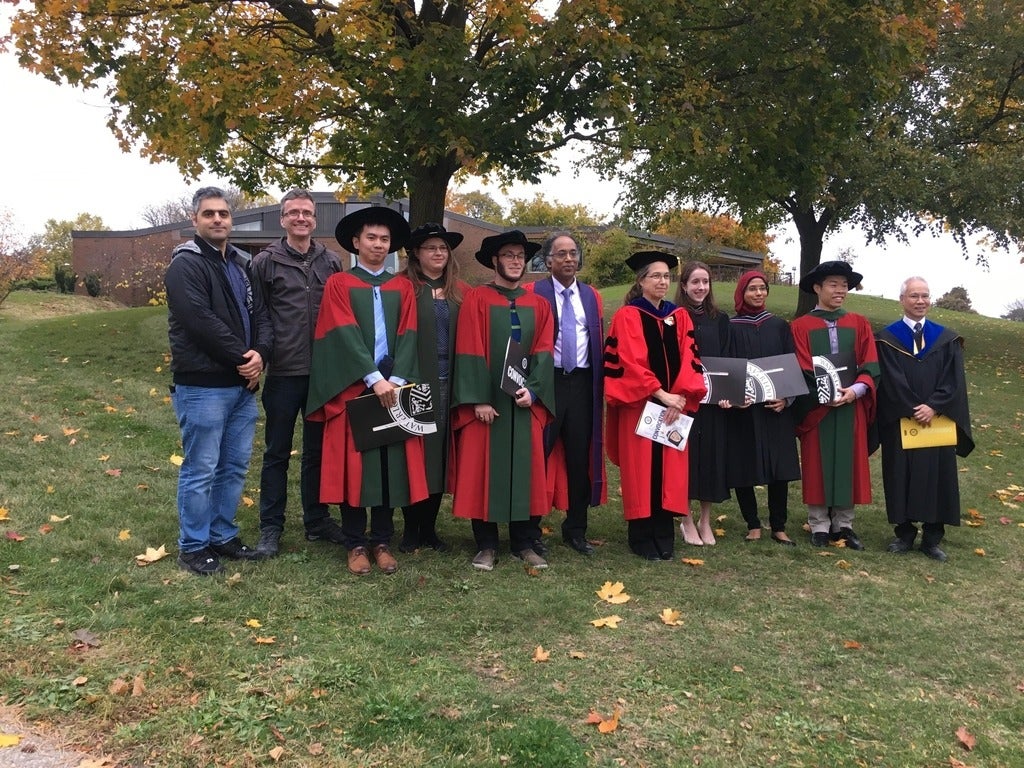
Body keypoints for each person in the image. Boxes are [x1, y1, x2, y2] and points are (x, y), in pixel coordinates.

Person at [306, 207, 428, 576]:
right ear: (356, 243)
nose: (378, 244)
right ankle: (355, 542)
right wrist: (374, 378)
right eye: (371, 238)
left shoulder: (402, 287)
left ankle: (382, 541)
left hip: (395, 387)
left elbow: (410, 333)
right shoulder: (339, 283)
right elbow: (342, 333)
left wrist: (398, 379)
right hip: (354, 386)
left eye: (384, 239)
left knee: (388, 464)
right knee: (355, 467)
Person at [165, 187, 273, 575]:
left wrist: (261, 353)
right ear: (194, 219)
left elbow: (261, 315)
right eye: (208, 213)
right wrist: (244, 359)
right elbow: (200, 322)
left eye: (223, 214)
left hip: (241, 387)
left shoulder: (241, 264)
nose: (217, 219)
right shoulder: (185, 265)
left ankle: (221, 535)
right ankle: (193, 547)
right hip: (203, 386)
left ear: (231, 220)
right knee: (201, 469)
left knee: (233, 467)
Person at [450, 230, 556, 571]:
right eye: (508, 255)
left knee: (527, 469)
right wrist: (478, 399)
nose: (515, 261)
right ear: (495, 260)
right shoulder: (477, 299)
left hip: (523, 403)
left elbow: (544, 350)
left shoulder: (538, 305)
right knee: (483, 467)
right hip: (489, 404)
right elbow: (469, 347)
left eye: (520, 256)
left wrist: (534, 390)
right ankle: (487, 544)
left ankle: (524, 542)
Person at [250, 189, 344, 558]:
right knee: (276, 452)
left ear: (315, 219)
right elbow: (259, 316)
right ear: (283, 219)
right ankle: (271, 526)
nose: (301, 218)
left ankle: (317, 520)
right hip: (284, 372)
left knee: (316, 452)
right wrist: (263, 356)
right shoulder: (265, 263)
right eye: (294, 213)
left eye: (307, 212)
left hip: (322, 374)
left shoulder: (331, 262)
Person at [604, 251, 706, 560]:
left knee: (669, 472)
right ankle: (640, 534)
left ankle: (663, 533)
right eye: (656, 276)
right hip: (640, 405)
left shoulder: (680, 316)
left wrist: (680, 397)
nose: (662, 281)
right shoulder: (628, 316)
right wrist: (662, 395)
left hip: (675, 408)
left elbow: (691, 358)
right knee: (642, 470)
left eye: (666, 276)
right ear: (641, 281)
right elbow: (629, 362)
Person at [875, 276, 974, 561]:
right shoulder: (887, 339)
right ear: (902, 300)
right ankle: (904, 533)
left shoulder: (946, 339)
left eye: (925, 296)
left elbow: (953, 380)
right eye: (914, 296)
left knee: (937, 476)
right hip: (901, 419)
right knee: (900, 474)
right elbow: (890, 379)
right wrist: (912, 407)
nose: (920, 301)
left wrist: (932, 406)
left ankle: (932, 538)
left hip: (937, 421)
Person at [525, 232, 606, 555]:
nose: (569, 259)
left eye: (573, 253)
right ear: (548, 261)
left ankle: (576, 529)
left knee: (579, 457)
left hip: (583, 384)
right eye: (561, 254)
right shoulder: (535, 293)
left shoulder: (591, 296)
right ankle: (529, 530)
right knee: (538, 454)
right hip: (548, 383)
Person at [791, 260, 880, 549]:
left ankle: (844, 524)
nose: (840, 290)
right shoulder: (800, 326)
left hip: (851, 405)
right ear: (817, 288)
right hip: (817, 408)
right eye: (833, 284)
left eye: (844, 285)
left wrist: (855, 390)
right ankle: (819, 524)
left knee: (849, 461)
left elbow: (870, 363)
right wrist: (824, 393)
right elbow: (802, 366)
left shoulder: (859, 323)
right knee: (816, 462)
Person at [393, 223, 469, 553]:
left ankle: (429, 529)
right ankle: (411, 529)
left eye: (443, 248)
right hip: (415, 379)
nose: (438, 253)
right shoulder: (402, 288)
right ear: (416, 253)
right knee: (416, 453)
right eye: (431, 248)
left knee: (439, 455)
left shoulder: (461, 292)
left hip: (449, 380)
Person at [726, 270, 800, 546]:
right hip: (744, 409)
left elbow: (791, 364)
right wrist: (734, 396)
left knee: (779, 468)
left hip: (774, 407)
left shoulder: (779, 326)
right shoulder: (731, 327)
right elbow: (727, 364)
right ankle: (753, 524)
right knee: (744, 464)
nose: (758, 293)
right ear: (742, 292)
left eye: (762, 288)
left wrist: (787, 399)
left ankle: (779, 525)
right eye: (752, 289)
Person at [675, 261, 731, 546]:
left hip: (713, 403)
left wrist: (728, 393)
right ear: (684, 285)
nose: (701, 287)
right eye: (695, 282)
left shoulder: (720, 319)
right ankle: (685, 519)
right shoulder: (673, 316)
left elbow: (728, 359)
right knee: (686, 459)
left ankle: (705, 520)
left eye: (705, 282)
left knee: (710, 459)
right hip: (684, 401)